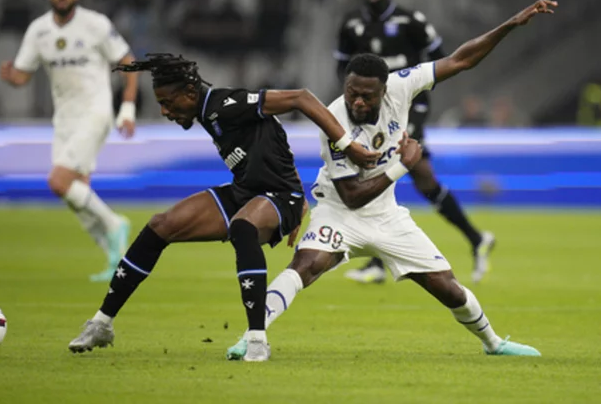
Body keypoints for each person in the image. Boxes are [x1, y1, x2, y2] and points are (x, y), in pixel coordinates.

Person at [227, 0, 557, 361]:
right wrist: (404, 166)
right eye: (352, 92)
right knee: (305, 267)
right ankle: (251, 335)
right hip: (340, 212)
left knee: (446, 287)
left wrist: (509, 23)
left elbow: (461, 60)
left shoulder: (403, 85)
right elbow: (352, 196)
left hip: (387, 216)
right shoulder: (333, 118)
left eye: (367, 96)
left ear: (385, 90)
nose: (358, 102)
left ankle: (494, 343)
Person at [67, 53, 381, 361]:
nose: (164, 111)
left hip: (279, 196)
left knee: (242, 227)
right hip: (246, 192)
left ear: (190, 93)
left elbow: (301, 98)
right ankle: (101, 323)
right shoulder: (206, 112)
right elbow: (272, 142)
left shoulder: (226, 104)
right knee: (160, 226)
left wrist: (347, 145)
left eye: (168, 102)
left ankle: (257, 340)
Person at [336, 0, 495, 284]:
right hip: (370, 112)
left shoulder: (410, 20)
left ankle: (381, 263)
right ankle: (476, 239)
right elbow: (341, 69)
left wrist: (414, 97)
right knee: (419, 180)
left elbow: (441, 58)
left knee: (388, 174)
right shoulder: (351, 24)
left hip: (408, 108)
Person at [0, 0, 138, 282]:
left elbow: (129, 62)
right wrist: (11, 76)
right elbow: (23, 74)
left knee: (58, 181)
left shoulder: (96, 24)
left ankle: (116, 225)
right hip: (64, 119)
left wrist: (127, 107)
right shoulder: (38, 31)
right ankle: (114, 260)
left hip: (95, 111)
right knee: (76, 193)